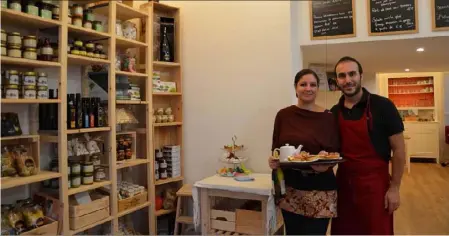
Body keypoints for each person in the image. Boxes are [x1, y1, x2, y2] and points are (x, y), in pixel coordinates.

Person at [330, 56, 406, 235]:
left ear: (360, 75)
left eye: (352, 74)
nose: (348, 80)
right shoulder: (334, 112)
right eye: (342, 76)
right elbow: (330, 151)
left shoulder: (383, 106)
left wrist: (394, 188)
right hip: (344, 188)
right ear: (337, 81)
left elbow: (399, 149)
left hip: (376, 187)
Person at [268, 69, 340, 235]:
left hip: (321, 188)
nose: (308, 88)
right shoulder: (283, 115)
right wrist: (273, 160)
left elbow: (335, 152)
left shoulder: (328, 117)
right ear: (295, 88)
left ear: (317, 89)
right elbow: (276, 149)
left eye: (313, 85)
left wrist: (326, 164)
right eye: (303, 84)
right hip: (291, 188)